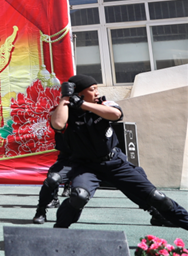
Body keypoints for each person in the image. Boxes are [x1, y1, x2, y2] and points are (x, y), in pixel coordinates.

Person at [51, 74, 188, 230]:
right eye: (92, 89)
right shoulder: (66, 110)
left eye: (96, 88)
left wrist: (84, 104)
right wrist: (65, 98)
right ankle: (59, 232)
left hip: (114, 163)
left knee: (158, 198)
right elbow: (58, 124)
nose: (96, 92)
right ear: (79, 93)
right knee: (79, 196)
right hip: (86, 167)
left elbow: (116, 115)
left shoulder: (104, 104)